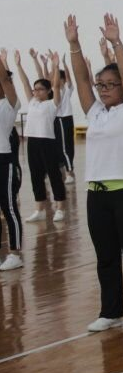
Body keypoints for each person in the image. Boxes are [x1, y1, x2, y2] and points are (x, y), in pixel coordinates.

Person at [65, 13, 123, 333]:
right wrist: (74, 44)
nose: (102, 89)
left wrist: (117, 43)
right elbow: (81, 81)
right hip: (97, 194)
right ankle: (111, 311)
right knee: (105, 257)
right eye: (100, 84)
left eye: (109, 85)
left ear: (122, 88)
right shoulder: (95, 113)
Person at [15, 48, 65, 223]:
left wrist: (55, 66)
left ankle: (60, 207)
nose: (36, 92)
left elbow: (56, 86)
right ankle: (40, 209)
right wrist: (19, 65)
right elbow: (25, 83)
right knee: (36, 176)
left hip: (47, 142)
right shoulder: (32, 102)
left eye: (40, 89)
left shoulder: (52, 104)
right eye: (35, 90)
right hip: (32, 142)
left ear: (48, 91)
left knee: (53, 175)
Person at [0, 49, 23, 271]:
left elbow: (6, 81)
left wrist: (2, 63)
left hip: (3, 160)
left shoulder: (10, 104)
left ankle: (15, 253)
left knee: (9, 207)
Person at [54, 61, 76, 184]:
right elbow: (45, 76)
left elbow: (69, 78)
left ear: (62, 79)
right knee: (60, 146)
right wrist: (48, 65)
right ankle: (64, 169)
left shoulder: (67, 89)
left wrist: (64, 64)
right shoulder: (54, 90)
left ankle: (69, 172)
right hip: (58, 119)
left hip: (64, 118)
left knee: (66, 146)